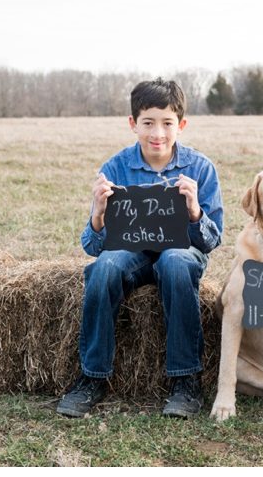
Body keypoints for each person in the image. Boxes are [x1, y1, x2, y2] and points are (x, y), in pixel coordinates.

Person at [56, 78, 224, 419]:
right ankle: (93, 376)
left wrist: (194, 211)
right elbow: (93, 247)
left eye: (167, 123)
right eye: (148, 123)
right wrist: (99, 215)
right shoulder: (115, 167)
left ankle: (185, 380)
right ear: (133, 124)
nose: (157, 133)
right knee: (104, 269)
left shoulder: (200, 168)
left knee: (176, 263)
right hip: (131, 252)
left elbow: (211, 240)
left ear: (182, 125)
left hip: (181, 250)